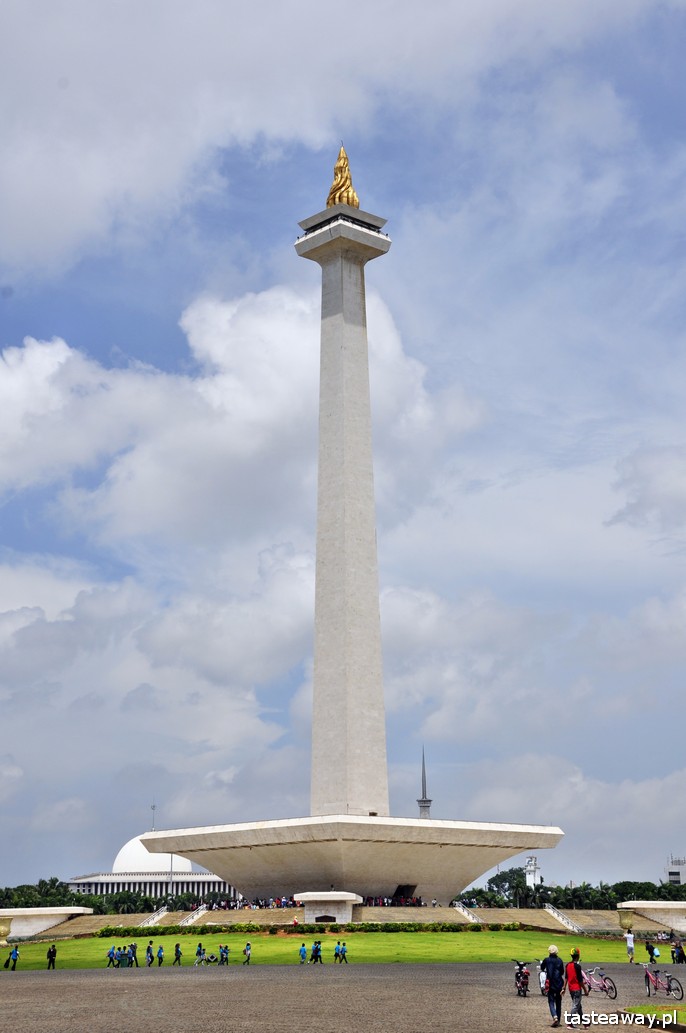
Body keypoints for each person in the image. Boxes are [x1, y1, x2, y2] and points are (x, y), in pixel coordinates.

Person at [541, 944, 564, 1028]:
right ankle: (558, 1020)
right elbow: (562, 972)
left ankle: (555, 1017)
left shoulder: (546, 960)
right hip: (558, 983)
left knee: (551, 1001)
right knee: (558, 1002)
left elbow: (542, 967)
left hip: (550, 983)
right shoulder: (560, 960)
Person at [563, 947, 588, 1027]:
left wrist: (564, 988)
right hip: (577, 989)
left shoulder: (567, 965)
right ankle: (570, 1022)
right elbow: (580, 981)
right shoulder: (577, 967)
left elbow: (566, 978)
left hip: (571, 989)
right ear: (578, 956)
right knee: (576, 1006)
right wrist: (585, 990)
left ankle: (584, 1022)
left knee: (578, 1006)